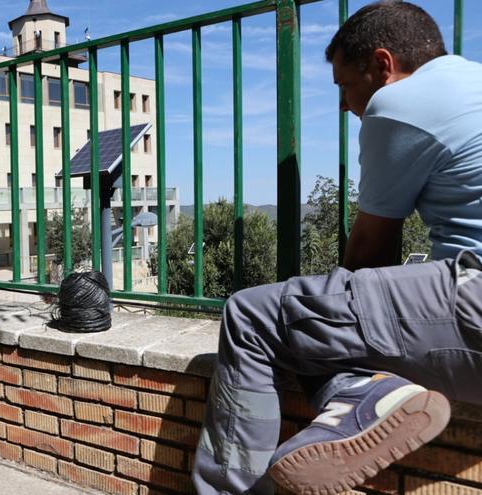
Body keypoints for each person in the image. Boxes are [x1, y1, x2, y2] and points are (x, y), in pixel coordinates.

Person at [192, 2, 482, 493]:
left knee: (255, 315)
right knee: (326, 320)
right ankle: (363, 396)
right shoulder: (471, 81)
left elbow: (371, 250)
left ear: (383, 65)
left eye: (346, 85)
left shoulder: (403, 100)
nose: (345, 104)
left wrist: (325, 310)